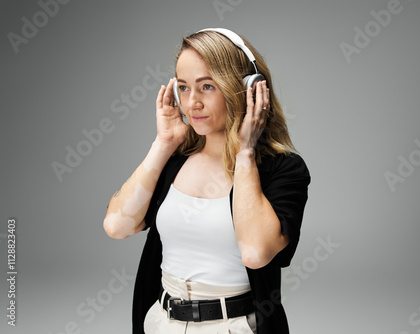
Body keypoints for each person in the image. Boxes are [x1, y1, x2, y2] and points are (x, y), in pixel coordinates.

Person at [103, 28, 310, 334]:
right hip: (161, 322)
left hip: (233, 326)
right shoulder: (175, 160)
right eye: (184, 88)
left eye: (207, 86)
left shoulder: (282, 170)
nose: (192, 103)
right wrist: (163, 143)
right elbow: (117, 226)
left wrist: (245, 154)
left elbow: (255, 253)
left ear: (247, 89)